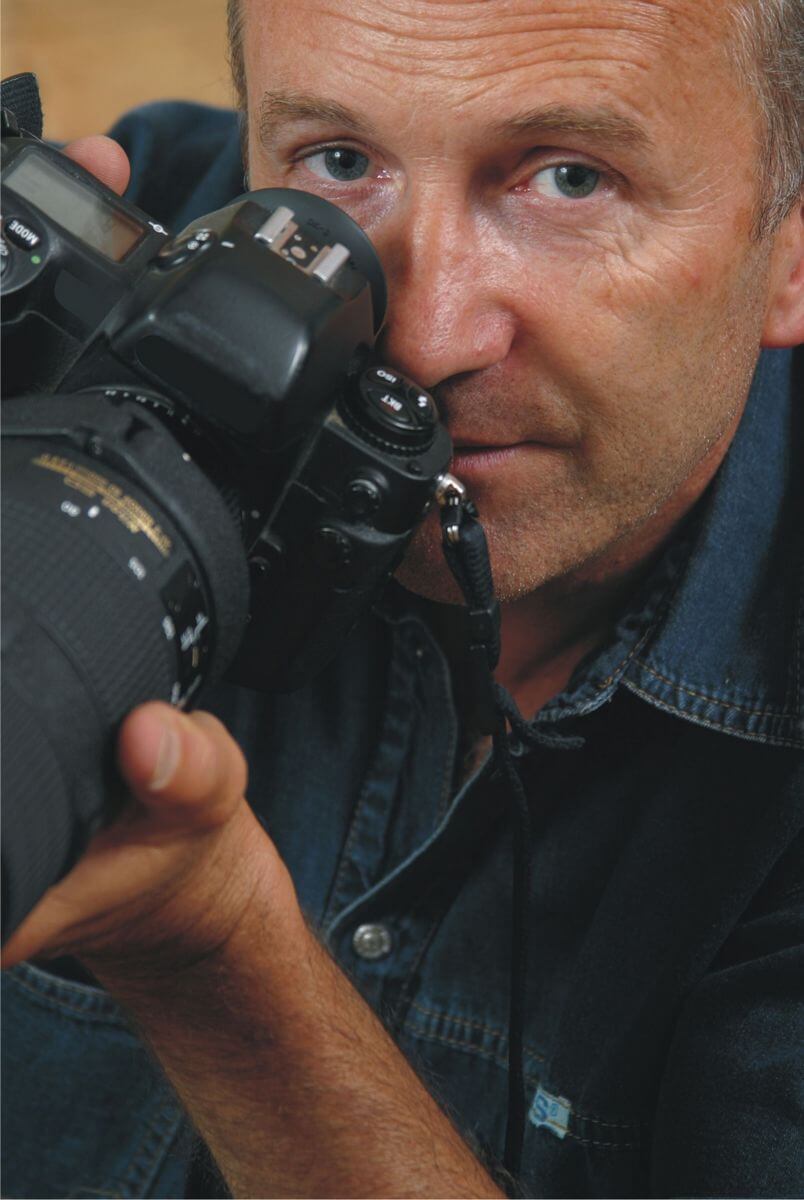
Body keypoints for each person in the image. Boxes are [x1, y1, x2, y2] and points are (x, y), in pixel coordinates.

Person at [2, 0, 803, 1196]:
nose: (423, 342)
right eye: (338, 161)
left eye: (569, 179)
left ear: (789, 246)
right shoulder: (141, 239)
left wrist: (211, 961)